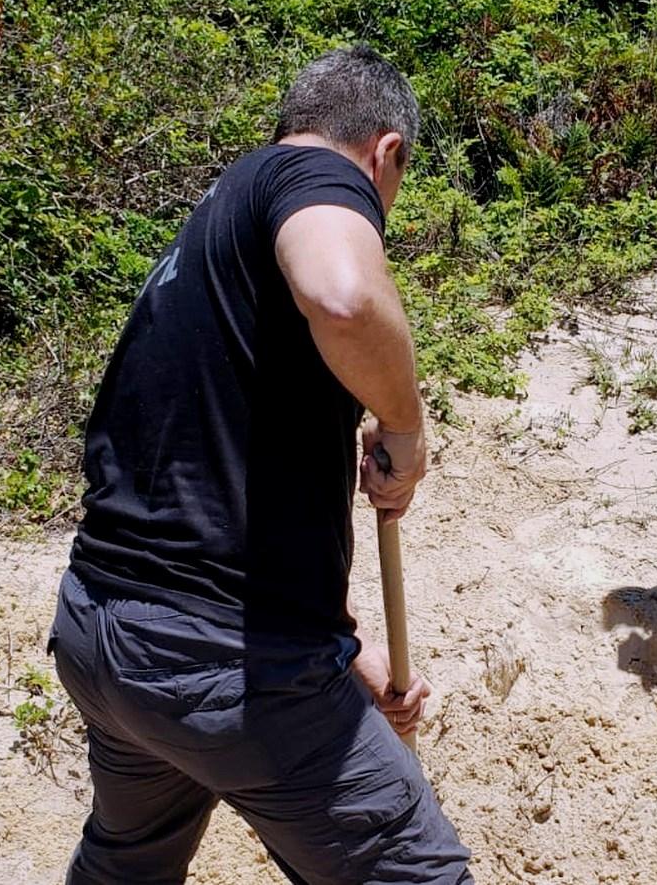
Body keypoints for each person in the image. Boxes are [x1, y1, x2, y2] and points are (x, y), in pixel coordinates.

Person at [49, 44, 473, 883]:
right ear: (387, 152)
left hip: (104, 635)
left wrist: (348, 654)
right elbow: (346, 297)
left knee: (126, 865)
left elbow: (216, 501)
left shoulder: (213, 234)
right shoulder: (313, 177)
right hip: (215, 664)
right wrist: (405, 424)